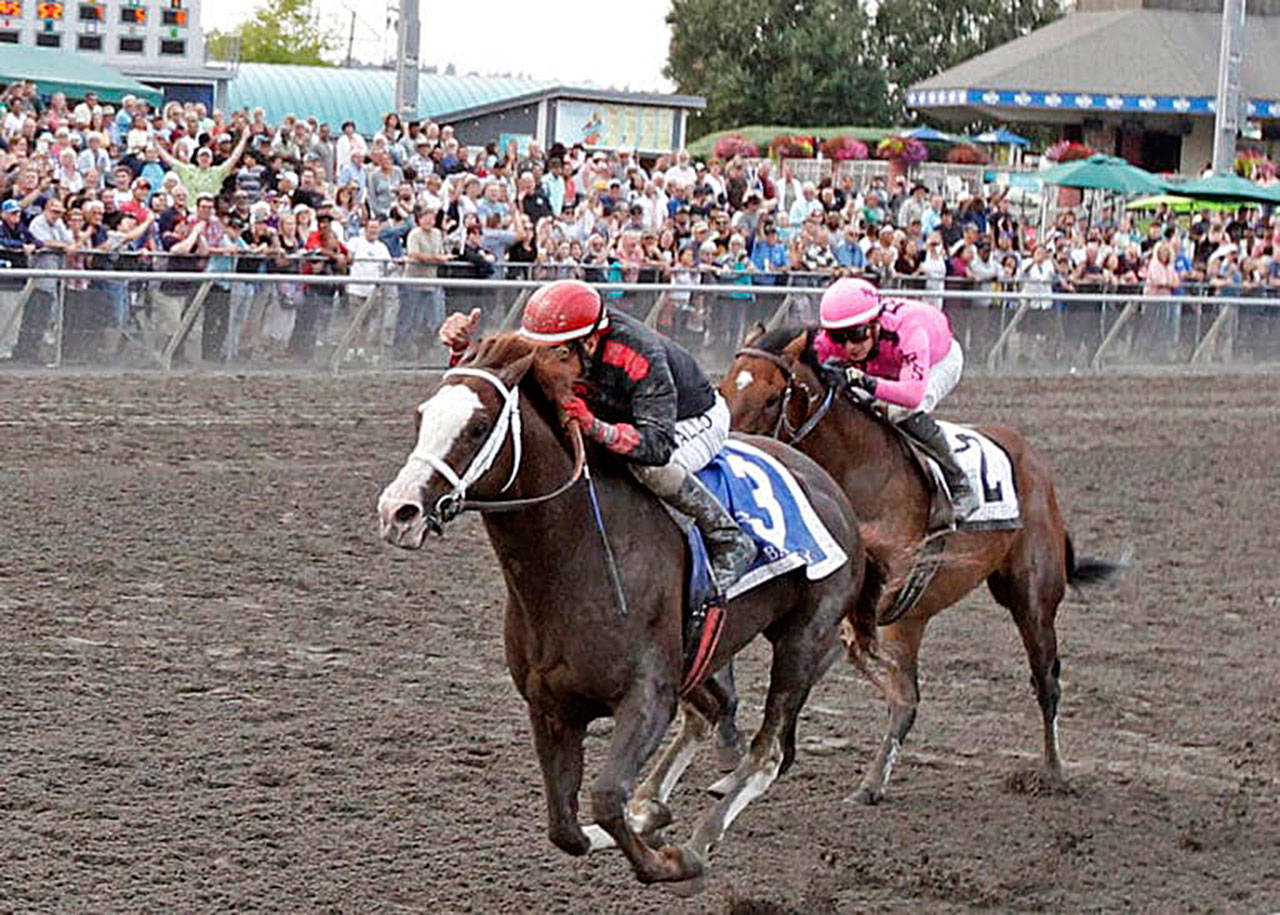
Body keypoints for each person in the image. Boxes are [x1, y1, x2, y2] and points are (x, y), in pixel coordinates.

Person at [438, 279, 757, 616]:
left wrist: (595, 426)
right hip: (624, 413)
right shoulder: (552, 340)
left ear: (589, 343)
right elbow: (490, 390)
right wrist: (462, 352)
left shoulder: (640, 353)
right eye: (538, 350)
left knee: (646, 467)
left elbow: (657, 445)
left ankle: (728, 538)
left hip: (689, 419)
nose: (543, 362)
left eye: (558, 354)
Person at [813, 277, 979, 522]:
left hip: (938, 361)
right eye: (838, 338)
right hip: (884, 364)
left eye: (856, 335)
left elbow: (911, 395)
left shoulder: (910, 331)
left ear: (874, 324)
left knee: (899, 411)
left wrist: (863, 381)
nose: (848, 346)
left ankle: (960, 484)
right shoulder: (835, 340)